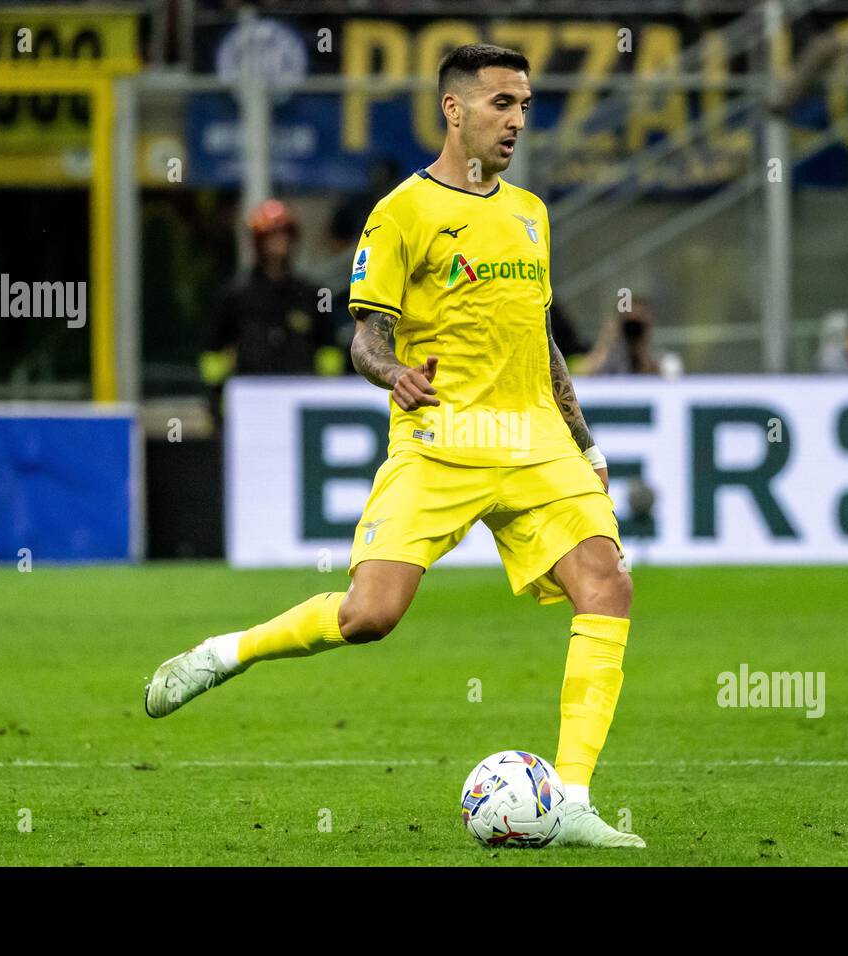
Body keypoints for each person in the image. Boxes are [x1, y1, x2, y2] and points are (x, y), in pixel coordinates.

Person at [144, 44, 642, 848]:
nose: (517, 121)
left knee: (607, 584)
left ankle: (573, 798)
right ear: (454, 110)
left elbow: (541, 337)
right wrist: (395, 375)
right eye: (500, 105)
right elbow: (364, 338)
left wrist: (584, 444)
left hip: (537, 443)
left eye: (524, 105)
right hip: (441, 443)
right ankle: (227, 651)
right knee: (369, 616)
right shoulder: (401, 212)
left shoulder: (531, 212)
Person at [199, 199, 340, 421]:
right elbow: (213, 350)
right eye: (271, 236)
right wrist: (217, 395)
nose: (278, 243)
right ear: (258, 241)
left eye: (283, 235)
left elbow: (329, 348)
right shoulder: (235, 294)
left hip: (301, 399)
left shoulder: (312, 294)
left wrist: (325, 391)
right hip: (250, 399)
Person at [579, 297, 683, 376]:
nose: (634, 329)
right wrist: (607, 339)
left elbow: (670, 385)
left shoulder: (666, 360)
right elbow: (585, 379)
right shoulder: (609, 362)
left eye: (638, 323)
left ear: (649, 325)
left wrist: (643, 353)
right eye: (629, 323)